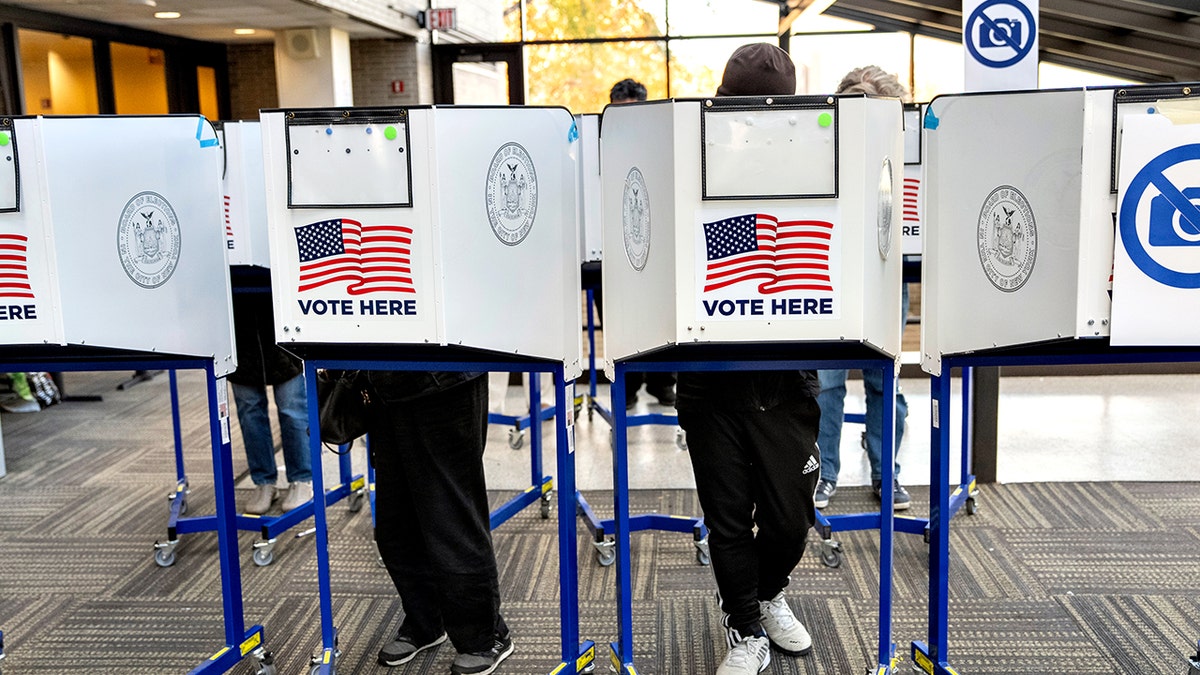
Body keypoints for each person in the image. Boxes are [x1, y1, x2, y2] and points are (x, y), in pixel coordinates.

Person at [675, 43, 816, 675]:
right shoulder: (693, 160)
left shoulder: (817, 166)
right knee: (727, 518)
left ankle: (768, 592)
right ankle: (745, 626)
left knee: (790, 519)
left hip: (785, 377)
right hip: (712, 377)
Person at [366, 370, 513, 674]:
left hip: (446, 375)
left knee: (451, 519)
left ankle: (484, 636)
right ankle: (425, 622)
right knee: (396, 522)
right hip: (386, 376)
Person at [813, 65, 912, 512]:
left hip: (885, 279)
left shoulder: (906, 150)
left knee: (883, 386)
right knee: (826, 385)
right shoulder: (821, 148)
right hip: (831, 278)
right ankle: (823, 474)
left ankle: (884, 474)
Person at [603, 77, 677, 409]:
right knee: (618, 320)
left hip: (657, 248)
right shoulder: (600, 145)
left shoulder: (661, 141)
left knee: (660, 316)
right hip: (611, 251)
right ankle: (627, 387)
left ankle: (662, 383)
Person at [228, 290, 313, 514]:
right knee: (250, 413)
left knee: (292, 409)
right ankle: (263, 481)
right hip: (239, 326)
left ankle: (302, 479)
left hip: (281, 322)